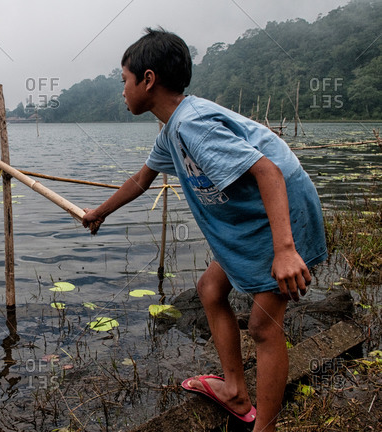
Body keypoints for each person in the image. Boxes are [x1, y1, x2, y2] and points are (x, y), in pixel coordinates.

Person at [82, 27, 327, 432]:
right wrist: (100, 212)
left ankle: (263, 426)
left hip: (281, 218)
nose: (121, 90)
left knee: (264, 327)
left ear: (148, 80)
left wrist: (285, 249)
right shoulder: (172, 129)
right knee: (211, 290)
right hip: (258, 218)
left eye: (124, 80)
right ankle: (233, 389)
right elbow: (141, 181)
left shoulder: (193, 123)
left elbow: (267, 172)